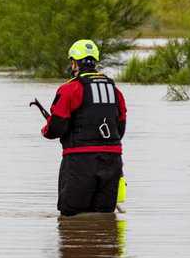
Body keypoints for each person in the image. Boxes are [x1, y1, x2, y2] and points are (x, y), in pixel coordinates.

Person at [36, 39, 127, 216]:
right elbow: (120, 129)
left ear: (74, 63)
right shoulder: (115, 91)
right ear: (95, 62)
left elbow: (56, 128)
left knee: (71, 216)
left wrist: (46, 130)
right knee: (105, 218)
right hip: (112, 162)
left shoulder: (70, 89)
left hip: (80, 162)